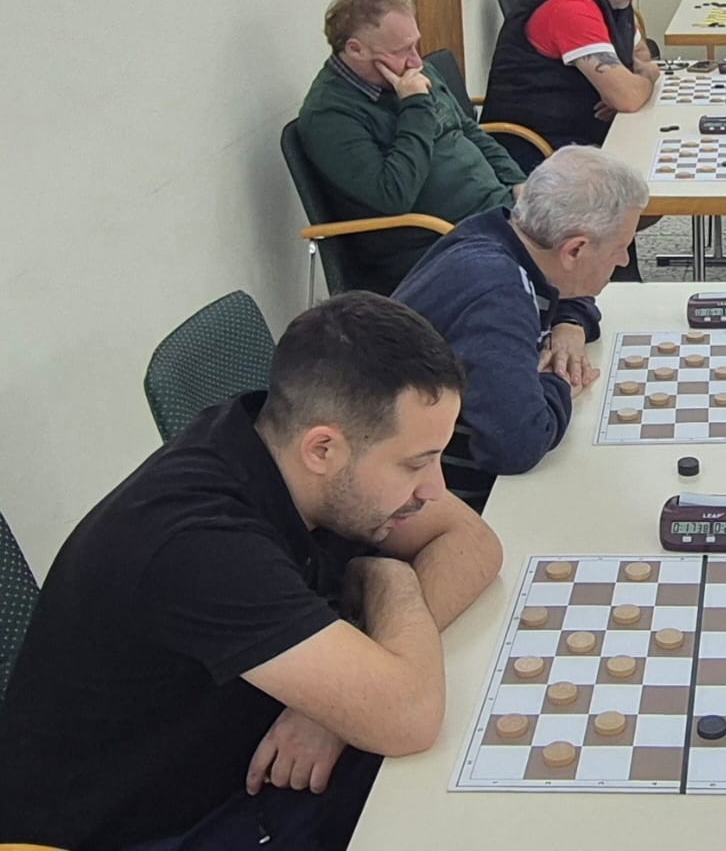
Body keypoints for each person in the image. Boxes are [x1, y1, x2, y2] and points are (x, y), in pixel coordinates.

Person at [0, 294, 504, 850]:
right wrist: (392, 581)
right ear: (322, 449)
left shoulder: (283, 451)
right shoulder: (197, 545)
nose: (433, 488)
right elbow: (410, 716)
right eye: (415, 463)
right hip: (145, 829)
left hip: (236, 763)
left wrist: (335, 707)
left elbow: (472, 543)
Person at [394, 147, 648, 496]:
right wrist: (558, 382)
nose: (623, 261)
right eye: (621, 247)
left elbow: (569, 289)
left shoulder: (498, 233)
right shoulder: (499, 296)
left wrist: (569, 324)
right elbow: (516, 445)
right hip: (429, 494)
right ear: (575, 249)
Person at [296, 0, 528, 293]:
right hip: (433, 244)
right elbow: (393, 195)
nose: (417, 60)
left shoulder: (412, 71)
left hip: (493, 212)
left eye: (415, 44)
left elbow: (468, 130)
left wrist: (518, 184)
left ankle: (567, 316)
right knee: (566, 253)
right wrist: (415, 105)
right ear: (355, 49)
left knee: (584, 217)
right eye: (402, 50)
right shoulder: (330, 115)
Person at [481, 0, 661, 165]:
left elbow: (640, 52)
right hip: (536, 151)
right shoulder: (571, 7)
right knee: (649, 163)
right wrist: (645, 78)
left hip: (578, 136)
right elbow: (628, 97)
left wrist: (623, 83)